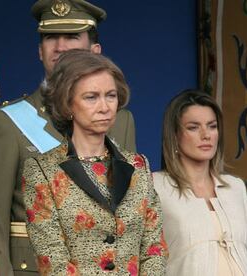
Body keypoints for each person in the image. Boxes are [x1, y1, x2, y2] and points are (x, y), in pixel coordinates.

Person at [0, 1, 136, 274]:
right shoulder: (7, 122)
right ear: (39, 51)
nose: (61, 47)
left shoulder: (121, 120)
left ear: (95, 51)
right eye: (50, 37)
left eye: (72, 36)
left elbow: (128, 211)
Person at [23, 49, 167, 275]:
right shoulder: (42, 171)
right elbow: (52, 259)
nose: (104, 107)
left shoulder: (139, 165)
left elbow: (154, 248)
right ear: (67, 103)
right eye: (91, 97)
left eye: (111, 95)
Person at [153, 90, 247, 275]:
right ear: (174, 135)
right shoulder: (156, 187)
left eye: (212, 126)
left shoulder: (235, 187)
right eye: (193, 127)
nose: (206, 135)